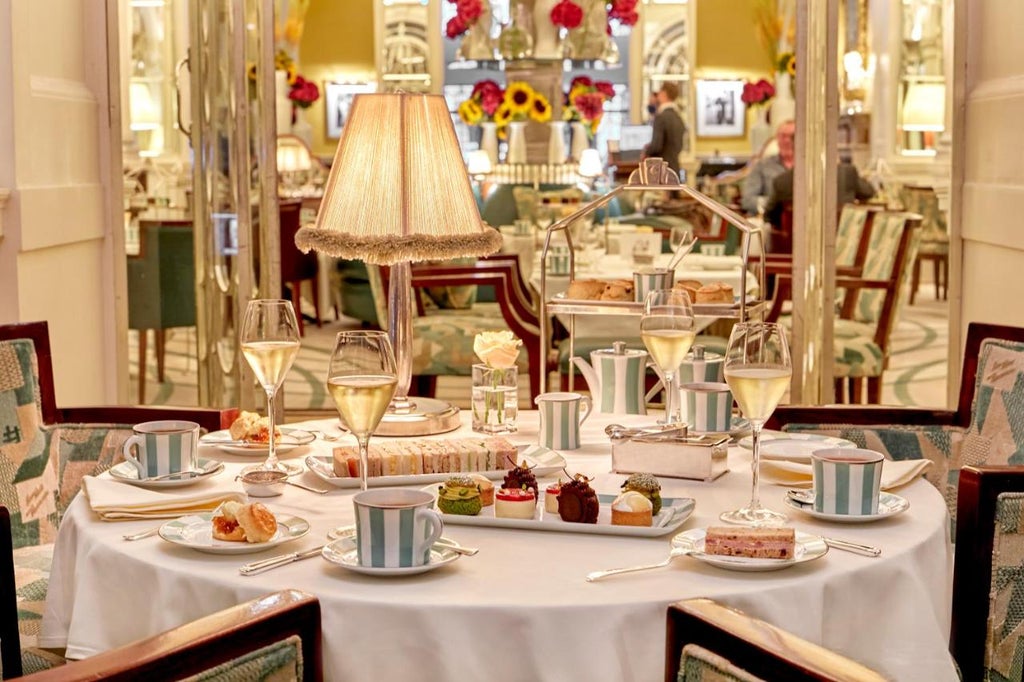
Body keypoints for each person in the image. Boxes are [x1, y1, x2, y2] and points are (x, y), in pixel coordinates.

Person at [762, 159, 876, 229]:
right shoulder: (846, 172)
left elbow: (769, 216)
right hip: (841, 248)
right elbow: (868, 192)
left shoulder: (782, 181)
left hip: (793, 255)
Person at [740, 119, 795, 215]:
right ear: (777, 139)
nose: (787, 140)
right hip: (772, 222)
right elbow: (747, 200)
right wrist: (773, 203)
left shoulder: (808, 167)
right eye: (783, 136)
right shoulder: (762, 166)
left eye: (792, 136)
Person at [643, 82, 685, 173]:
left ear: (664, 94)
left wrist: (646, 151)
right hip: (674, 168)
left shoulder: (661, 117)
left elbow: (656, 146)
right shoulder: (679, 117)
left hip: (661, 170)